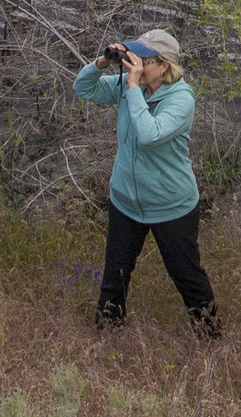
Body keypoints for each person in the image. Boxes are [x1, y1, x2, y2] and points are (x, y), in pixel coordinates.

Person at [73, 28, 219, 336]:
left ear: (164, 65)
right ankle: (108, 337)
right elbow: (83, 88)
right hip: (126, 201)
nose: (136, 64)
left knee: (187, 277)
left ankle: (211, 337)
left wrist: (134, 88)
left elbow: (149, 134)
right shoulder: (129, 86)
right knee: (115, 277)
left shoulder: (181, 99)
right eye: (133, 56)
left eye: (144, 60)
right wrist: (102, 62)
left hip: (171, 206)